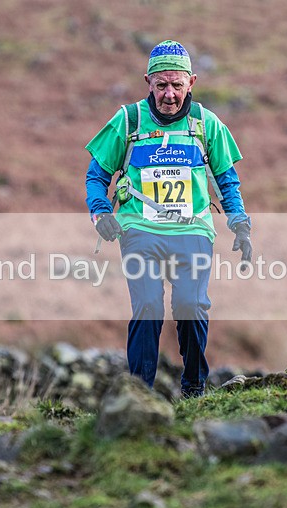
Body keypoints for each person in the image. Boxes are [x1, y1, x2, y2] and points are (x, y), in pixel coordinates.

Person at [84, 40, 252, 398]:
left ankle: (194, 388)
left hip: (193, 229)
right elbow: (96, 176)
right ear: (148, 82)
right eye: (161, 85)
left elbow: (227, 181)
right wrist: (100, 212)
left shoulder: (207, 124)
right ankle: (139, 395)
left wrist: (240, 224)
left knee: (189, 305)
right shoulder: (127, 121)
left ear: (192, 82)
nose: (170, 94)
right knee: (148, 306)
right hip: (139, 228)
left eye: (177, 85)